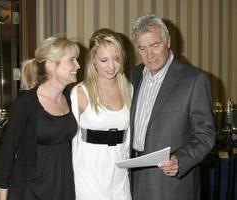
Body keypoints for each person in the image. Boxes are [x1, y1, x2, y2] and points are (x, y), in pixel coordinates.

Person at [130, 14, 215, 200]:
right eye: (142, 48)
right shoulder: (134, 76)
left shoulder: (194, 80)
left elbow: (205, 134)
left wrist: (180, 159)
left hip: (171, 184)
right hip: (133, 179)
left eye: (155, 45)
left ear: (167, 42)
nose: (149, 55)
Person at [0, 35, 80, 200]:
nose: (78, 65)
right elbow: (7, 154)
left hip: (64, 187)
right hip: (30, 190)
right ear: (50, 65)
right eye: (72, 60)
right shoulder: (25, 102)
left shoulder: (72, 99)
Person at [71, 28, 132, 200]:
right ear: (93, 61)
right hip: (88, 177)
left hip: (120, 176)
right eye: (104, 60)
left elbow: (130, 138)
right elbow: (73, 142)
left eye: (117, 59)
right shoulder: (79, 93)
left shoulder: (130, 90)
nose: (111, 66)